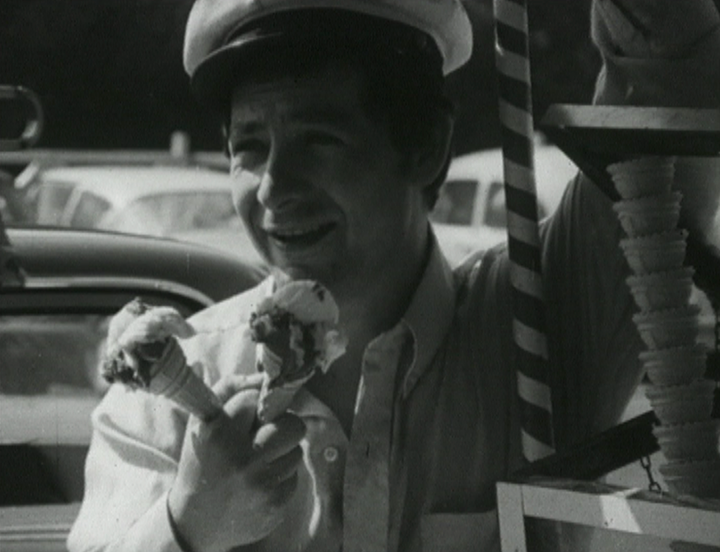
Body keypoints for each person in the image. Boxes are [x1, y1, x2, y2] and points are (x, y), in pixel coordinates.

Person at [68, 0, 720, 551]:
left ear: (427, 147)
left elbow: (670, 69)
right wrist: (190, 522)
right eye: (250, 148)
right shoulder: (162, 392)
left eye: (319, 140)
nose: (273, 188)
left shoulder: (544, 316)